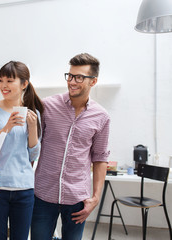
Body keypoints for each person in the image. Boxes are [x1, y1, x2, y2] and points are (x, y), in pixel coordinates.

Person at [31, 53, 110, 240]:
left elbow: (100, 158)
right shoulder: (47, 106)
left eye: (80, 77)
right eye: (70, 76)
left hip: (77, 199)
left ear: (93, 81)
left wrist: (95, 198)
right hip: (43, 194)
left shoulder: (101, 116)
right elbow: (31, 146)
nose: (72, 82)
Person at [0, 61, 44, 239]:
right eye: (1, 80)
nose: (3, 86)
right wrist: (6, 127)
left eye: (9, 81)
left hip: (24, 188)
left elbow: (34, 155)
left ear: (24, 84)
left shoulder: (33, 113)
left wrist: (32, 128)